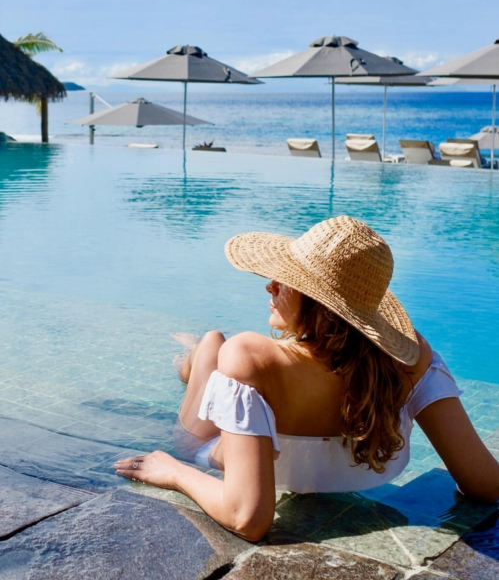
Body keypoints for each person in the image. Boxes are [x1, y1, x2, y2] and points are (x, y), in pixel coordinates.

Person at [114, 216, 499, 542]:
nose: (270, 285)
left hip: (207, 444)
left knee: (216, 344)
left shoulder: (250, 357)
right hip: (280, 405)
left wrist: (173, 471)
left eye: (286, 280)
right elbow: (486, 484)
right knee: (214, 352)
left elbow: (247, 517)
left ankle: (197, 354)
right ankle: (195, 355)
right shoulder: (409, 359)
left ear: (320, 304)